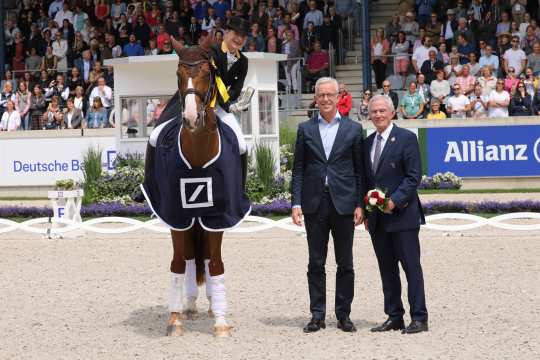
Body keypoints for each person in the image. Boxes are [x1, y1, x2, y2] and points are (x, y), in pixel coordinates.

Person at [291, 77, 365, 333]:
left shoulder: (354, 130)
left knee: (345, 263)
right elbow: (298, 169)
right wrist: (295, 202)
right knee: (315, 262)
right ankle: (317, 314)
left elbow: (359, 171)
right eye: (320, 95)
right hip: (314, 203)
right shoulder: (305, 129)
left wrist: (360, 204)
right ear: (315, 97)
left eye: (329, 95)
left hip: (344, 203)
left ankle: (344, 314)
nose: (324, 99)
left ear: (338, 96)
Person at [363, 94, 427, 334]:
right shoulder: (366, 143)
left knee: (411, 268)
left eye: (382, 111)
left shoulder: (407, 139)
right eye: (374, 111)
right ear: (369, 115)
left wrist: (395, 202)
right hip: (378, 221)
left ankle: (419, 317)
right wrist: (367, 213)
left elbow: (413, 177)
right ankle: (394, 315)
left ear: (392, 112)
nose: (378, 115)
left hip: (403, 216)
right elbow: (366, 181)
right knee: (386, 270)